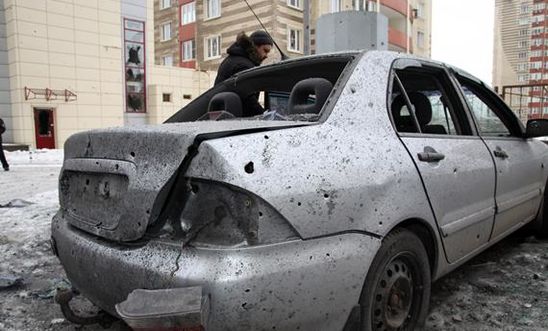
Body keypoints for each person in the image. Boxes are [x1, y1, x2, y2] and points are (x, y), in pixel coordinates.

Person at [214, 31, 273, 117]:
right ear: (255, 46)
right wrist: (264, 115)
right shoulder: (243, 65)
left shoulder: (235, 59)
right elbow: (247, 99)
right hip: (234, 121)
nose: (266, 55)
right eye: (265, 50)